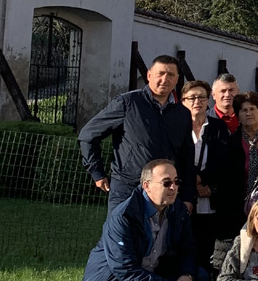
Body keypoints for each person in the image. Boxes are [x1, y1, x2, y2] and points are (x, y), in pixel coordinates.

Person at [79, 159, 209, 281]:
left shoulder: (178, 210)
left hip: (152, 271)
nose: (173, 187)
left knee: (198, 277)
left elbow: (188, 249)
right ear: (146, 186)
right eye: (166, 183)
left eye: (176, 181)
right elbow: (124, 270)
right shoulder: (124, 216)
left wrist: (185, 276)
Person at [78, 55, 196, 212]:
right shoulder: (127, 103)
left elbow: (187, 157)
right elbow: (88, 135)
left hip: (166, 191)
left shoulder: (182, 114)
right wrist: (97, 172)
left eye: (171, 75)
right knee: (122, 236)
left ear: (177, 79)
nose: (164, 79)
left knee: (160, 237)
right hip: (128, 188)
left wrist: (187, 196)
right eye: (160, 73)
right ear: (149, 75)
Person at [180, 80, 232, 281]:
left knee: (207, 252)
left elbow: (223, 160)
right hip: (184, 195)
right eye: (192, 98)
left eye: (202, 97)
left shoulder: (218, 127)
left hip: (209, 195)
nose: (197, 102)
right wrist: (193, 182)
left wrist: (203, 180)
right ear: (183, 101)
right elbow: (175, 159)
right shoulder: (178, 127)